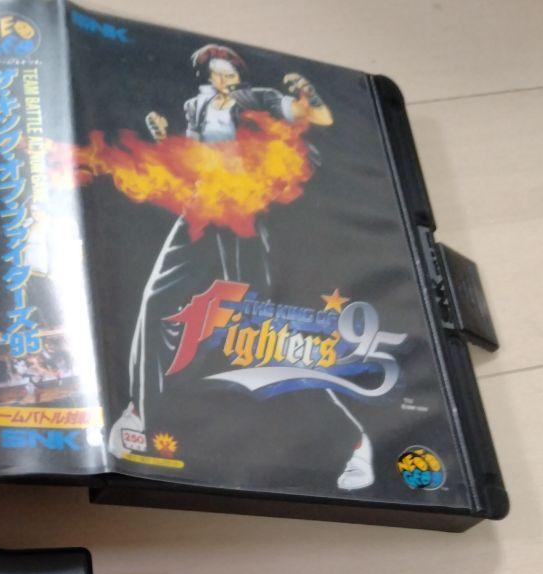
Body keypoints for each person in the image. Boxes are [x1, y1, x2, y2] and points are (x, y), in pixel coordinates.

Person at [105, 45, 376, 490]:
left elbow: (319, 118)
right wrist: (165, 141)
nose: (224, 80)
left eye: (229, 73)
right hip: (202, 208)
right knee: (156, 303)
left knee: (261, 334)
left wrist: (307, 96)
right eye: (216, 73)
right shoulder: (195, 107)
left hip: (245, 212)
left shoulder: (258, 99)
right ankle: (140, 413)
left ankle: (352, 443)